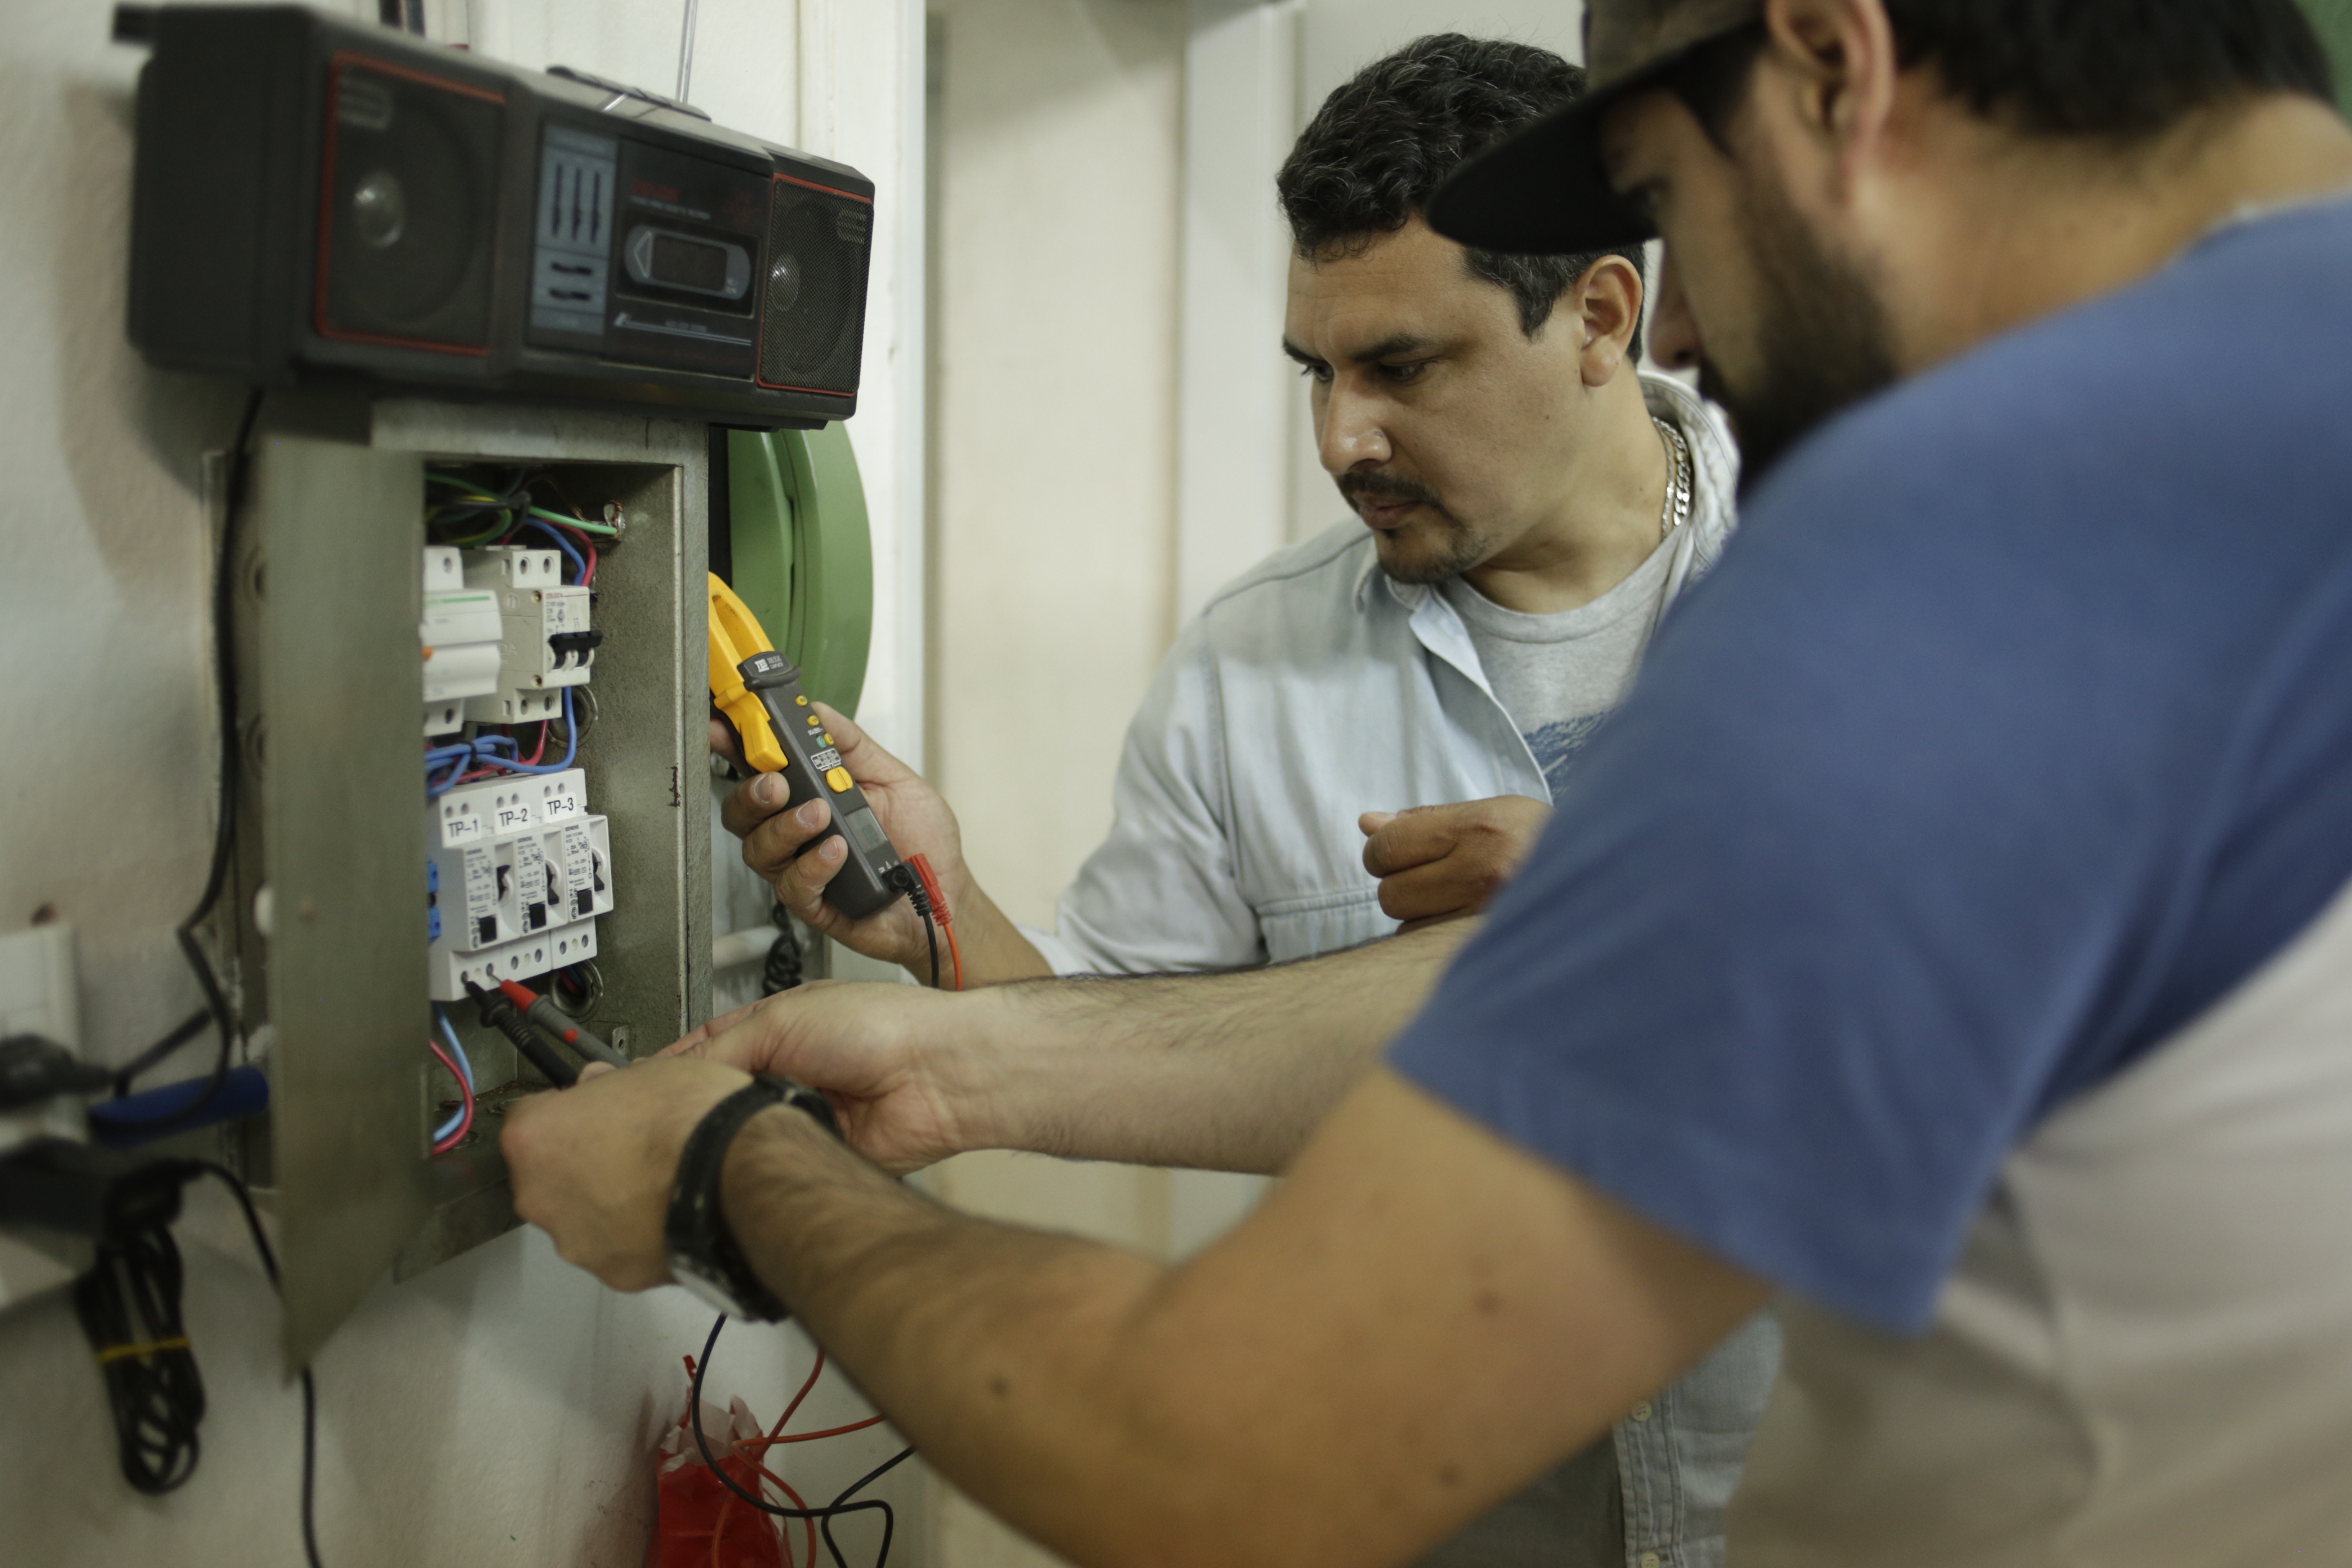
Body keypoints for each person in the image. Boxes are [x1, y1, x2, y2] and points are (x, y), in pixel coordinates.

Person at [506, 1, 2352, 1563]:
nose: (1695, 335)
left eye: (1677, 222)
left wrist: (728, 1179)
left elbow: (1222, 1444)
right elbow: (1641, 1007)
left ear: (1829, 67)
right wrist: (963, 1042)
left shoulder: (1977, 542)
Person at [723, 38, 1772, 1568]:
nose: (1342, 439)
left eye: (1403, 367)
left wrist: (1620, 913)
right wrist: (936, 904)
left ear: (1601, 316)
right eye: (1318, 374)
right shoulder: (1250, 666)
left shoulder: (1859, 573)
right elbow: (1127, 1043)